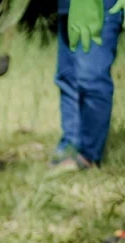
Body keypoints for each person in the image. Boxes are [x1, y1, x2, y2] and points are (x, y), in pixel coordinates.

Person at [51, 0, 122, 171]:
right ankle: (70, 146)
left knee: (91, 78)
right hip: (68, 6)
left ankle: (88, 155)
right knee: (68, 77)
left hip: (98, 5)